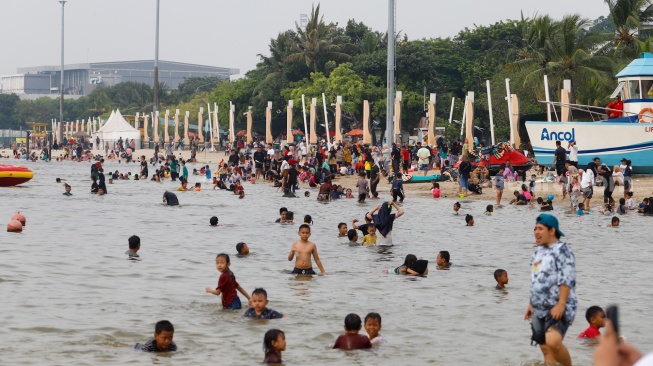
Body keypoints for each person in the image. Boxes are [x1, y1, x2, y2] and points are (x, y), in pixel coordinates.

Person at [524, 214, 577, 366]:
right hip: (538, 306)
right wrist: (530, 303)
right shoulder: (538, 251)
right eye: (535, 229)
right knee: (545, 348)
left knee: (553, 341)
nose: (536, 232)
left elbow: (566, 279)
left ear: (552, 230)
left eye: (540, 229)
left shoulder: (563, 250)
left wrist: (561, 304)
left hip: (558, 305)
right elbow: (536, 280)